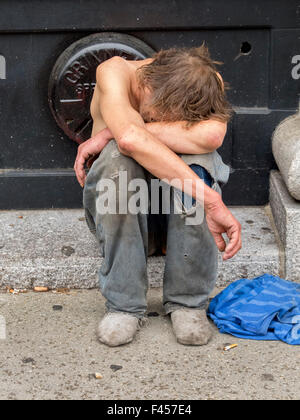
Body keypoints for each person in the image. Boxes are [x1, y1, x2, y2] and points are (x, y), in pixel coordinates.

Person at [74, 45, 242, 347]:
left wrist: (121, 131)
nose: (160, 121)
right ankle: (124, 304)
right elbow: (129, 139)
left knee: (199, 159)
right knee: (118, 159)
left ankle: (188, 302)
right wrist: (212, 200)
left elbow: (212, 136)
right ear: (149, 85)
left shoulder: (204, 80)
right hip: (122, 218)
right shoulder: (114, 73)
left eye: (172, 120)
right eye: (161, 114)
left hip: (180, 223)